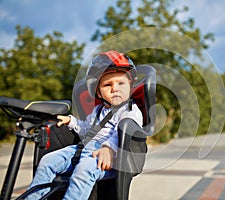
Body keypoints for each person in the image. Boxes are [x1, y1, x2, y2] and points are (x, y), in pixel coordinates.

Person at [25, 50, 143, 200]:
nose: (115, 88)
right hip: (83, 149)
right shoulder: (98, 110)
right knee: (47, 161)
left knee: (83, 170)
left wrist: (109, 148)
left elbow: (128, 131)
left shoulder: (130, 111)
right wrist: (71, 121)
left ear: (130, 86)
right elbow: (87, 129)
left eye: (121, 83)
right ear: (98, 92)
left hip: (112, 159)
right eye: (108, 85)